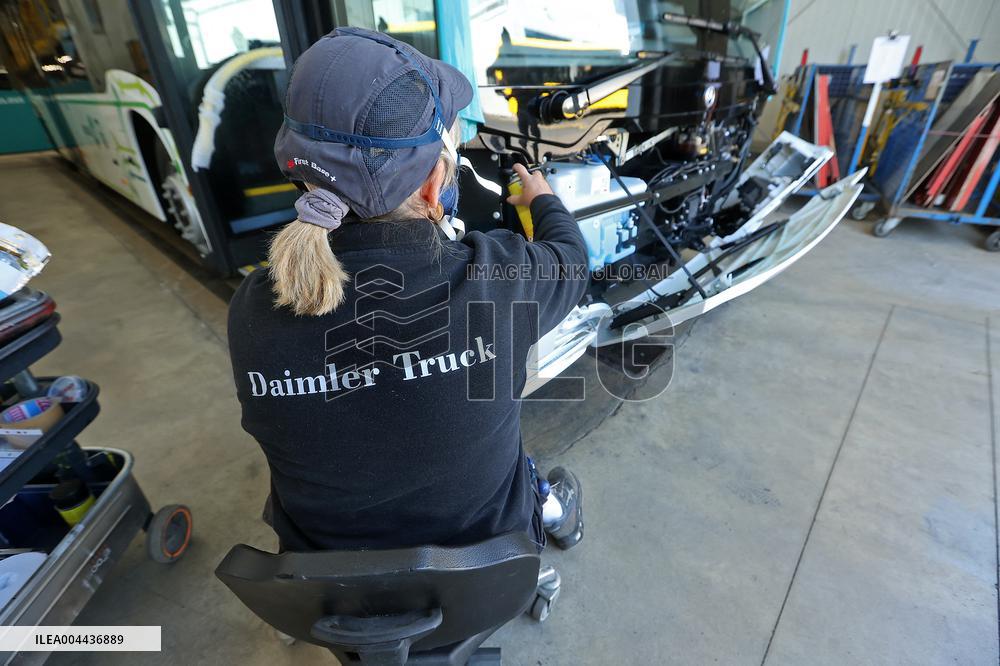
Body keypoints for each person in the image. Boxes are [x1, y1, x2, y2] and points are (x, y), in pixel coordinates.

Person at [227, 27, 588, 553]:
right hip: (485, 567)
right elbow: (573, 262)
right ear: (431, 185)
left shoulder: (253, 306)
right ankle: (552, 509)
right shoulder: (498, 278)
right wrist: (541, 201)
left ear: (301, 174)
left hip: (326, 585)